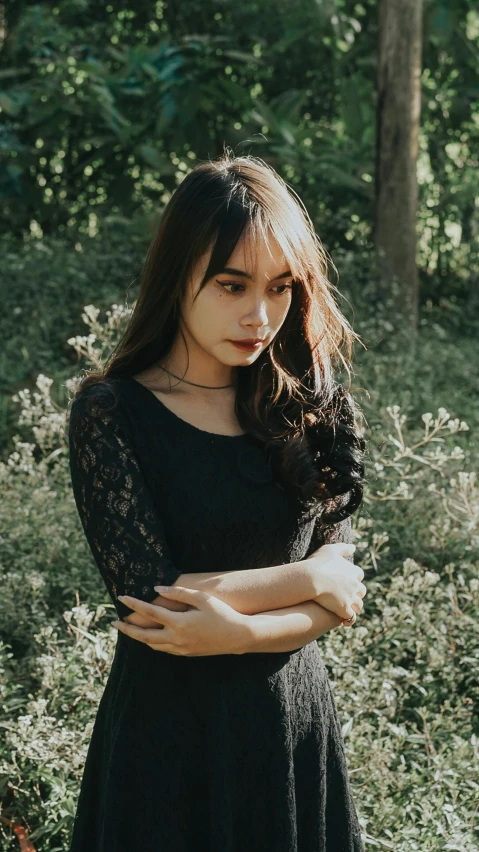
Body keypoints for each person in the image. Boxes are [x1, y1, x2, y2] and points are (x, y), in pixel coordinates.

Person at [67, 152, 367, 852]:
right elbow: (156, 605)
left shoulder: (318, 412)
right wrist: (306, 579)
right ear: (179, 276)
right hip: (166, 745)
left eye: (281, 288)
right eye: (231, 285)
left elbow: (341, 597)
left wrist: (238, 631)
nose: (259, 315)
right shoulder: (111, 413)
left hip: (291, 734)